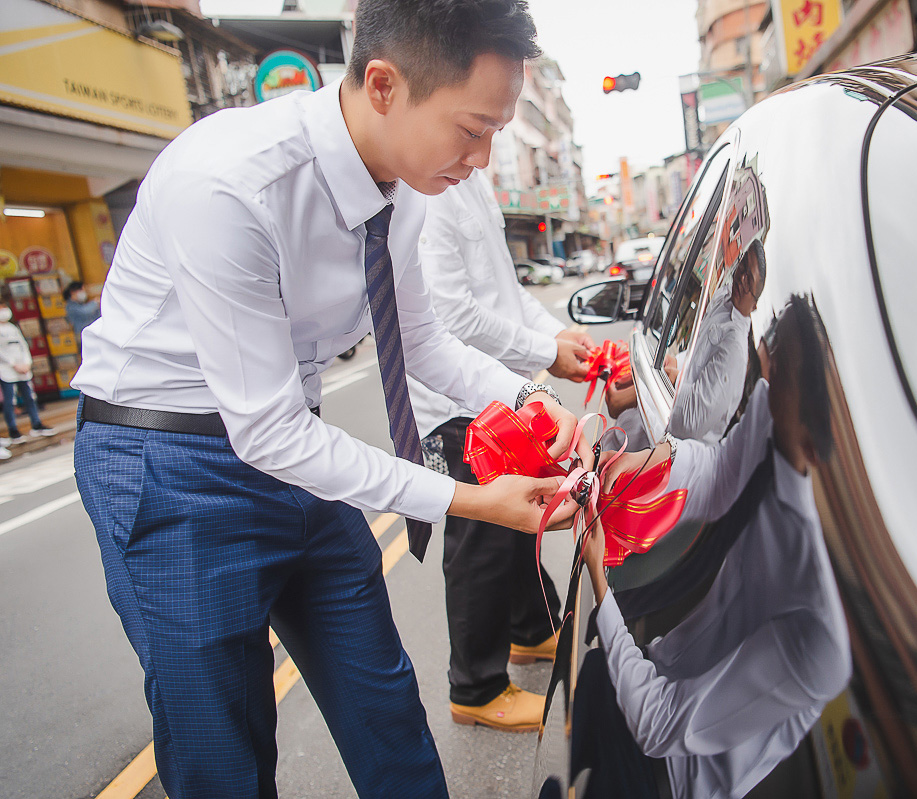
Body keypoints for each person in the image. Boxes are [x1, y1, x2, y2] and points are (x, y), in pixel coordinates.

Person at [70, 2, 582, 797]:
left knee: (384, 702)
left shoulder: (411, 183)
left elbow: (422, 341)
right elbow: (267, 429)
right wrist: (474, 500)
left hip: (291, 445)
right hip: (169, 463)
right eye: (472, 129)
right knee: (224, 752)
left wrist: (534, 404)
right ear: (384, 84)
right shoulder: (231, 184)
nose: (481, 159)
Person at [580, 295, 852, 799]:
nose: (762, 391)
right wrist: (656, 463)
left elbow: (661, 728)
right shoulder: (776, 412)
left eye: (778, 375)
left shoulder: (820, 633)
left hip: (665, 777)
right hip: (649, 664)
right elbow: (722, 473)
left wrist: (601, 586)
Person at [408, 168, 594, 731]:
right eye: (479, 125)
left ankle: (530, 632)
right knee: (480, 546)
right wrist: (544, 350)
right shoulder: (426, 192)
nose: (486, 147)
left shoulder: (471, 178)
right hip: (459, 406)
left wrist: (557, 338)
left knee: (517, 528)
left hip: (503, 392)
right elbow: (453, 315)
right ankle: (476, 686)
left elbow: (507, 295)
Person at [667, 239, 765, 444]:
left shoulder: (735, 350)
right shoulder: (724, 296)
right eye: (743, 267)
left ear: (755, 304)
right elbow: (697, 355)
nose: (742, 279)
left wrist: (674, 378)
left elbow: (692, 422)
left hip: (674, 448)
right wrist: (677, 362)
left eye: (750, 281)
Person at [0, 304, 55, 447]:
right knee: (10, 401)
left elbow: (24, 346)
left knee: (30, 397)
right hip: (7, 370)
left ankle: (36, 424)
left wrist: (27, 363)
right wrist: (14, 365)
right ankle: (13, 429)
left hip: (23, 369)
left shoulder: (13, 328)